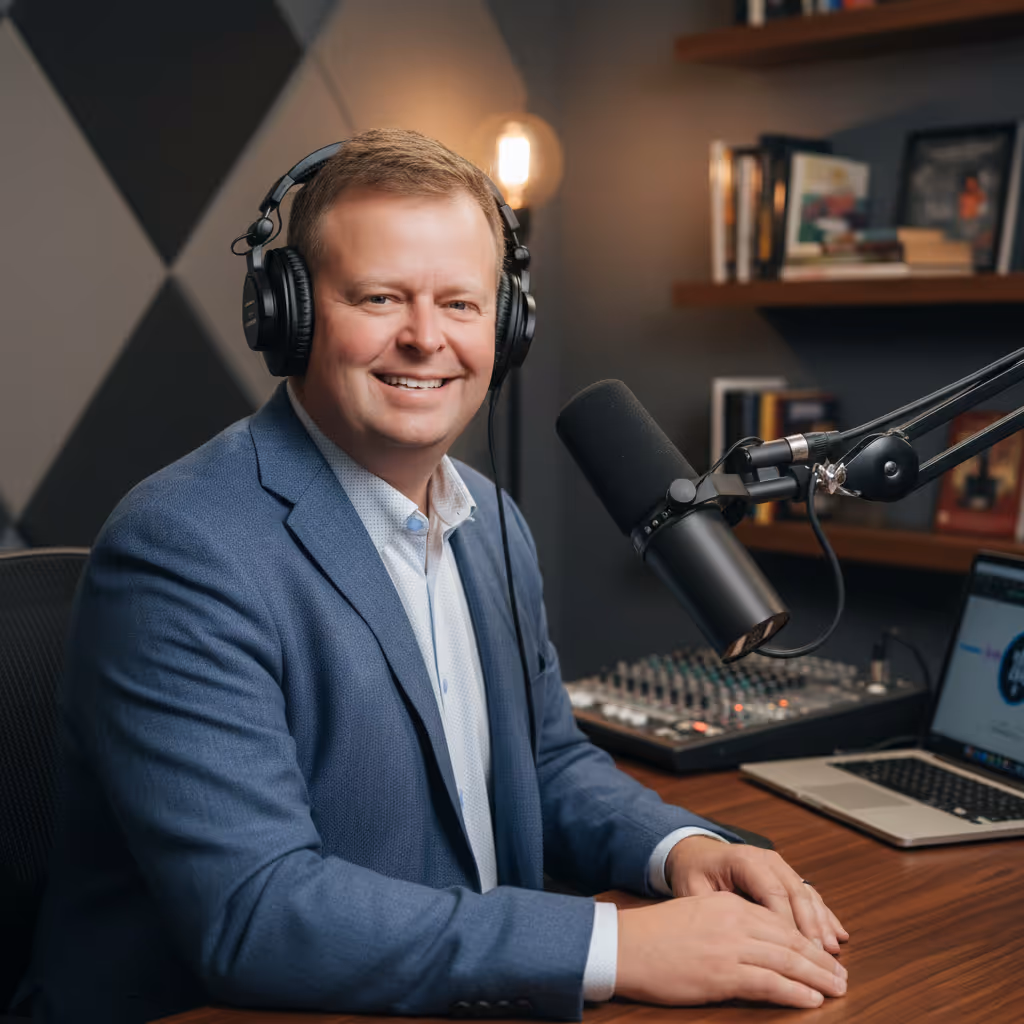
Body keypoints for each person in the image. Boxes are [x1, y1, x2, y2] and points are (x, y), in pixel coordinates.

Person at [28, 130, 848, 1024]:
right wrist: (615, 947)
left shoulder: (491, 520)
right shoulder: (183, 547)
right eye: (379, 297)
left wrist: (677, 847)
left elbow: (544, 759)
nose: (426, 339)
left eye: (460, 303)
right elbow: (258, 913)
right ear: (290, 313)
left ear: (508, 325)